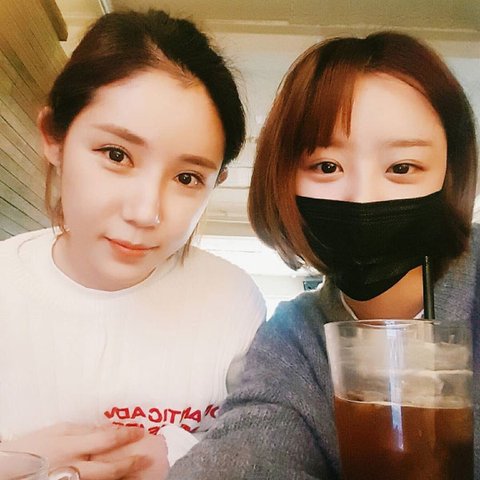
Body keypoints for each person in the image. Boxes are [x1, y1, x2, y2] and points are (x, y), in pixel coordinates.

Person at [167, 31, 479, 479]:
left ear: (450, 174)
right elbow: (242, 456)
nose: (362, 197)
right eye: (327, 167)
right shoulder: (293, 339)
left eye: (402, 167)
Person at [0, 9, 266, 480]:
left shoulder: (232, 302)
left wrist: (183, 459)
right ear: (54, 138)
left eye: (187, 178)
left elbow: (260, 451)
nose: (146, 213)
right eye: (116, 155)